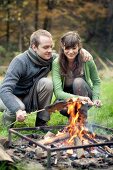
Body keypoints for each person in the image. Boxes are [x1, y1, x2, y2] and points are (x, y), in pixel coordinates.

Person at [0, 29, 93, 128]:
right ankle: (5, 126)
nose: (49, 50)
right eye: (45, 47)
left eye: (51, 47)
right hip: (8, 97)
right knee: (19, 107)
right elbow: (5, 90)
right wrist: (17, 110)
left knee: (47, 83)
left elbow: (68, 56)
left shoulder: (51, 59)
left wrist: (81, 51)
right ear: (34, 47)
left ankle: (41, 123)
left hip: (29, 97)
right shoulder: (20, 61)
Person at [52, 31, 101, 118]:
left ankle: (82, 120)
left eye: (74, 48)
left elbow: (96, 81)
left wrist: (95, 98)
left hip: (85, 96)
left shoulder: (87, 59)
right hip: (69, 98)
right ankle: (73, 122)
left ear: (78, 47)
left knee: (78, 81)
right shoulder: (57, 63)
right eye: (67, 48)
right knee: (61, 107)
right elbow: (58, 92)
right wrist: (79, 98)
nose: (70, 52)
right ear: (62, 47)